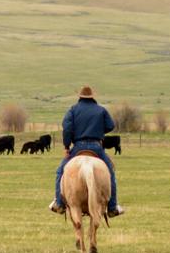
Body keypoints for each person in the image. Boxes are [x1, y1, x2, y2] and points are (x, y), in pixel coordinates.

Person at [49, 85, 123, 217]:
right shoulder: (101, 110)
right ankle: (112, 207)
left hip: (78, 147)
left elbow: (67, 129)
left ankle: (59, 204)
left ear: (80, 96)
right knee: (110, 171)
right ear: (92, 96)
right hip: (97, 147)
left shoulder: (73, 110)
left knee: (60, 171)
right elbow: (111, 125)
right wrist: (99, 130)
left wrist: (67, 146)